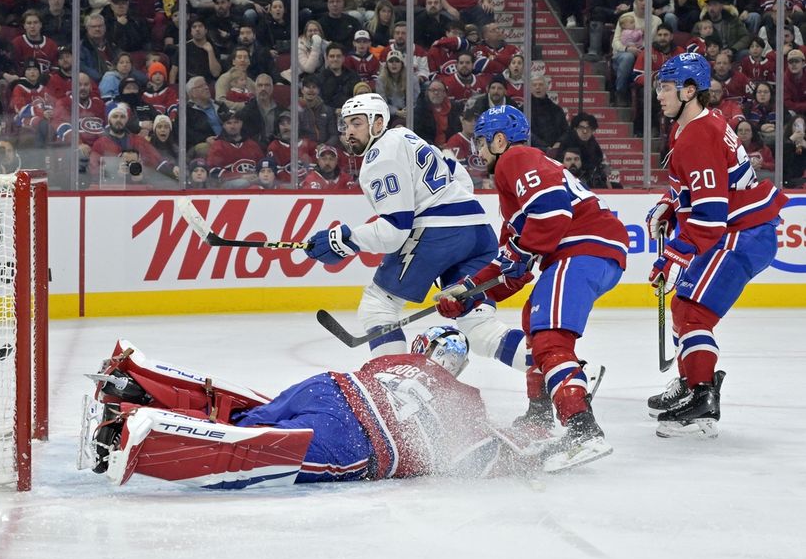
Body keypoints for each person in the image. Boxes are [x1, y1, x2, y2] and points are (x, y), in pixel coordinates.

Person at [84, 327, 547, 487]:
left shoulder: (397, 358)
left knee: (243, 418)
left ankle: (134, 383)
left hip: (329, 387)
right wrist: (540, 444)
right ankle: (137, 432)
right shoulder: (463, 398)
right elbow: (487, 455)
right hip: (358, 441)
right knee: (253, 450)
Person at [434, 105, 628, 471]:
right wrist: (470, 293)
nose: (479, 149)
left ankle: (583, 429)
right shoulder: (515, 189)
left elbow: (553, 215)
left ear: (500, 139)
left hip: (583, 248)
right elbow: (512, 271)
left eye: (482, 140)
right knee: (533, 322)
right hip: (590, 252)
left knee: (550, 338)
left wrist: (520, 251)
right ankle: (540, 414)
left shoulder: (516, 158)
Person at [303, 93, 521, 364]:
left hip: (438, 235)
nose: (349, 132)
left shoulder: (379, 157)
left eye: (357, 123)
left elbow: (395, 230)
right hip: (478, 231)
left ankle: (394, 385)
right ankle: (550, 369)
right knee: (479, 329)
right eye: (345, 125)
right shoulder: (406, 136)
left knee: (378, 305)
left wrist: (346, 240)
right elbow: (457, 172)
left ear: (378, 123)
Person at [647, 53, 788, 437]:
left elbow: (709, 213)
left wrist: (674, 255)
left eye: (666, 87)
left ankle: (701, 400)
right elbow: (697, 189)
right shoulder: (691, 127)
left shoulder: (698, 133)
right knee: (686, 308)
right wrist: (669, 204)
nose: (659, 94)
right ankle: (691, 382)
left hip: (740, 233)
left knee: (693, 313)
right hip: (737, 229)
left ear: (689, 90)